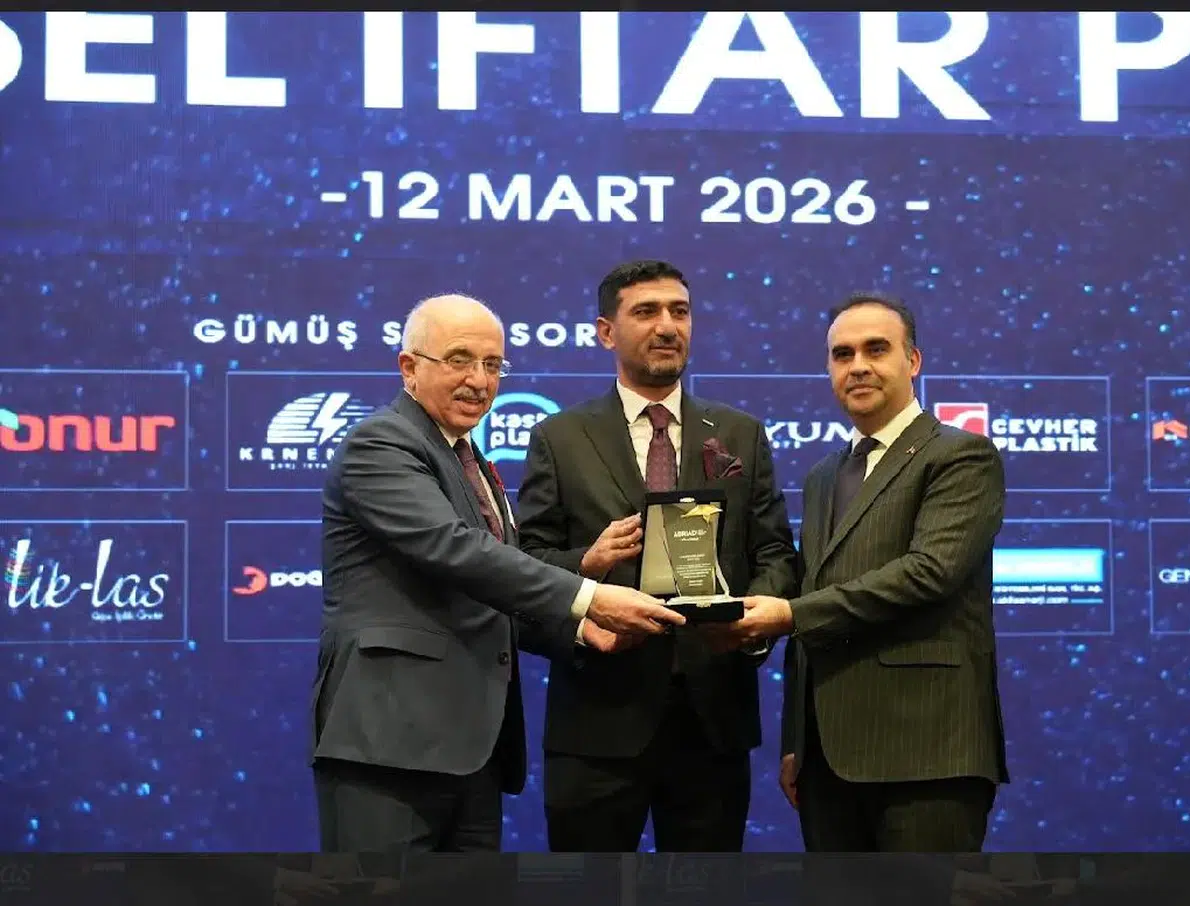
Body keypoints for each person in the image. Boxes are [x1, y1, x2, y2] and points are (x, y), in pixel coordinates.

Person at [311, 293, 685, 853]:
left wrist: (580, 631)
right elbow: (456, 551)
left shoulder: (470, 461)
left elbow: (491, 590)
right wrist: (590, 597)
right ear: (409, 367)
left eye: (492, 365)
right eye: (459, 360)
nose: (479, 381)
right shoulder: (381, 444)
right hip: (389, 744)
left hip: (472, 753)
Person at [515, 259, 798, 852]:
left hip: (713, 720)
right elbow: (525, 565)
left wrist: (750, 626)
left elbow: (774, 551)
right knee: (589, 890)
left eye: (680, 312)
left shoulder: (740, 433)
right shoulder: (559, 438)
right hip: (596, 722)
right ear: (606, 331)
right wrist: (586, 565)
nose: (667, 326)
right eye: (646, 312)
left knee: (706, 888)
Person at [717, 290, 1009, 852]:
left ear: (913, 361)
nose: (858, 366)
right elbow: (812, 593)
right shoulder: (825, 474)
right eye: (842, 354)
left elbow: (928, 573)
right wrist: (798, 740)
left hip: (927, 754)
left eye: (876, 349)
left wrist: (788, 614)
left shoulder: (960, 455)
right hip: (827, 760)